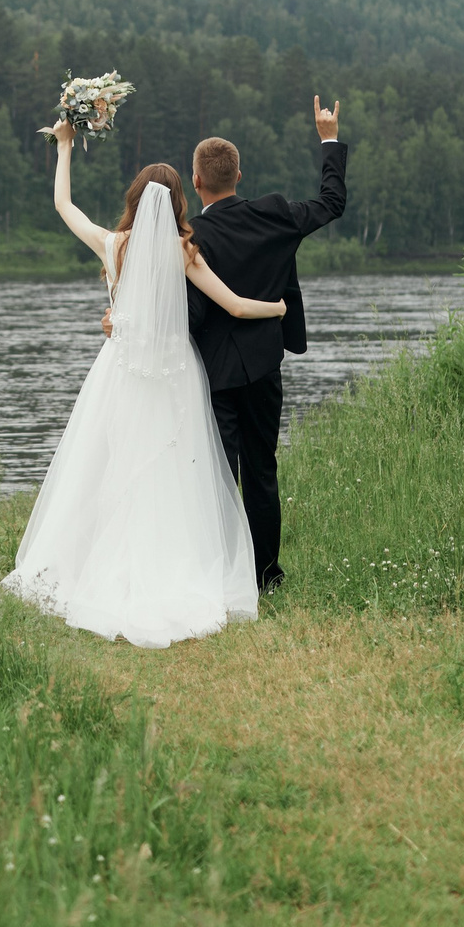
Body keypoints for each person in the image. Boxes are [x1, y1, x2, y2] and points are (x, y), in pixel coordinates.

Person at [0, 123, 282, 646]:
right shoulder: (185, 253)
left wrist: (64, 146)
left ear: (133, 198)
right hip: (175, 376)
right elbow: (236, 307)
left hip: (121, 372)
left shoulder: (114, 247)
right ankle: (171, 562)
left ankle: (99, 564)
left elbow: (65, 207)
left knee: (111, 467)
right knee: (175, 472)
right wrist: (279, 307)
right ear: (179, 202)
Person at [184, 96, 347, 593]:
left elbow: (189, 316)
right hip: (263, 366)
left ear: (197, 182)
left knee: (216, 474)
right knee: (261, 470)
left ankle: (219, 573)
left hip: (212, 372)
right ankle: (265, 576)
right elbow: (331, 203)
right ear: (240, 174)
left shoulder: (191, 238)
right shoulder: (275, 213)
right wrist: (328, 139)